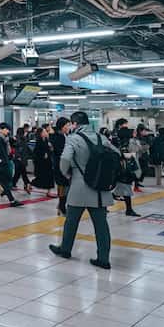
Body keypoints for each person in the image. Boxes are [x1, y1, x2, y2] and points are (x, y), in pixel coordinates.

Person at [51, 111, 118, 269]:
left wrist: (68, 174)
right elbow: (116, 154)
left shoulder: (73, 139)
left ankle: (65, 249)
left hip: (79, 187)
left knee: (71, 221)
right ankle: (103, 259)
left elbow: (65, 160)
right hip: (100, 189)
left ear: (75, 124)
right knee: (101, 225)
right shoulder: (102, 138)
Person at [52, 117, 72, 216]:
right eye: (67, 125)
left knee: (64, 187)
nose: (69, 127)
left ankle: (61, 206)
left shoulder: (64, 135)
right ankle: (62, 208)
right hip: (60, 166)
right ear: (62, 126)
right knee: (63, 188)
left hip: (63, 165)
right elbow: (61, 153)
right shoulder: (59, 137)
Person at [32, 126, 55, 198]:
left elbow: (49, 150)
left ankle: (49, 191)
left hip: (47, 162)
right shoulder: (39, 141)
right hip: (41, 162)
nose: (46, 133)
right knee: (41, 177)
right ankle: (30, 184)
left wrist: (50, 148)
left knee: (49, 176)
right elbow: (36, 152)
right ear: (41, 134)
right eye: (44, 132)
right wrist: (43, 154)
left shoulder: (46, 140)